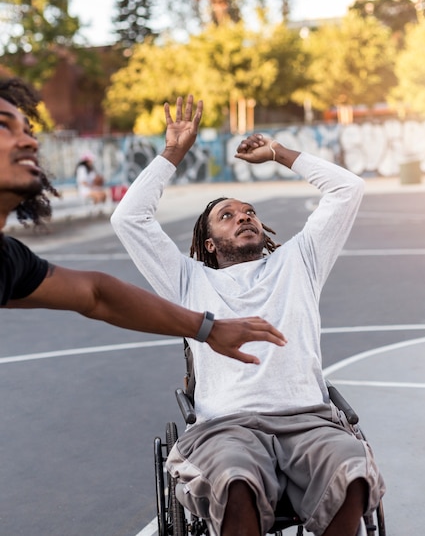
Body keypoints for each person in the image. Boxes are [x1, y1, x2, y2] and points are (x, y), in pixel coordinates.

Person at [111, 95, 386, 536]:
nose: (244, 217)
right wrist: (172, 154)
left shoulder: (299, 261)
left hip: (308, 419)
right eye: (227, 215)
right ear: (208, 244)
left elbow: (347, 188)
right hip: (227, 426)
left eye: (250, 212)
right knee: (235, 480)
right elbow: (129, 219)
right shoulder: (187, 281)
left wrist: (279, 153)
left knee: (353, 469)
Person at [0, 76, 286, 364]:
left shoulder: (9, 259)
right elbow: (125, 227)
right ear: (209, 244)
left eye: (28, 130)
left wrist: (208, 330)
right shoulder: (193, 279)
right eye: (3, 125)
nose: (28, 141)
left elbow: (97, 294)